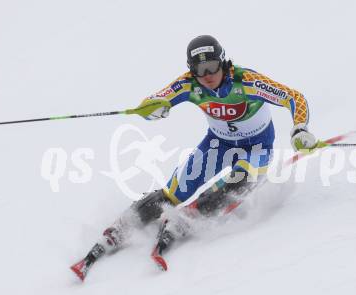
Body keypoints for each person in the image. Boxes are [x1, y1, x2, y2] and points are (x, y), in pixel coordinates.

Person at [71, 35, 317, 280]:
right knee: (173, 193)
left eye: (212, 66)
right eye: (200, 69)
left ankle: (190, 215)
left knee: (241, 180)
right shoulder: (190, 84)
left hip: (257, 148)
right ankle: (123, 226)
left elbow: (294, 97)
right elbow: (156, 100)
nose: (207, 75)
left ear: (223, 63)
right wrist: (150, 109)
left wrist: (300, 129)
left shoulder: (247, 81)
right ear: (192, 71)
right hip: (217, 145)